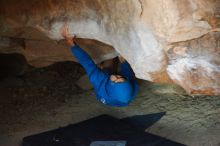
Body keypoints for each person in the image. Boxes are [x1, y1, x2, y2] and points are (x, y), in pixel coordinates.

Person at [61, 25, 139, 107]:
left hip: (105, 90)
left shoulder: (99, 79)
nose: (117, 76)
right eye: (121, 78)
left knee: (108, 66)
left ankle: (103, 65)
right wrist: (120, 53)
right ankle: (112, 60)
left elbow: (87, 63)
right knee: (115, 57)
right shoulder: (130, 84)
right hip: (119, 95)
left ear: (111, 85)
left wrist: (70, 43)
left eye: (115, 80)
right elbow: (126, 67)